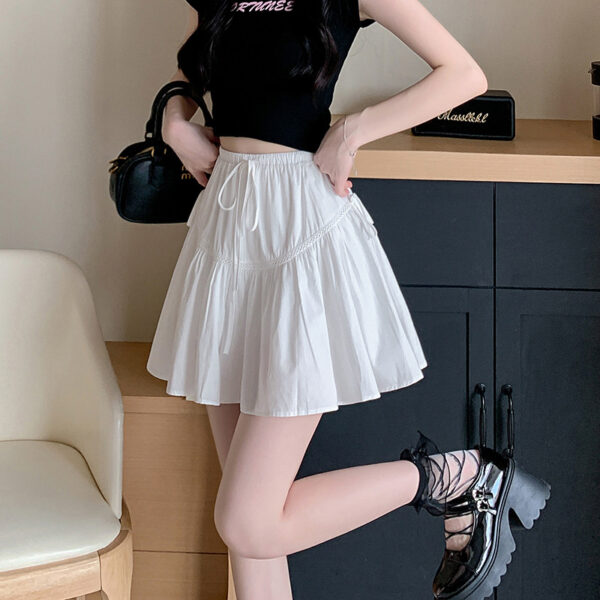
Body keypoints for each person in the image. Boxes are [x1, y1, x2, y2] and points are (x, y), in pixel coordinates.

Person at [146, 1, 551, 598]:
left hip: (302, 231)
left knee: (248, 520)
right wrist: (175, 125)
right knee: (251, 530)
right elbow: (185, 79)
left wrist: (354, 129)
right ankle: (461, 479)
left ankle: (459, 477)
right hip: (226, 229)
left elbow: (463, 74)